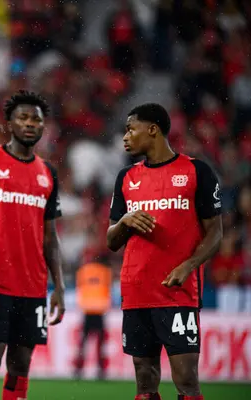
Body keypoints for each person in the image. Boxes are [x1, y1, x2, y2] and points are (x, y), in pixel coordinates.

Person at [107, 103, 223, 400]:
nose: (125, 137)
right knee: (145, 380)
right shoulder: (126, 178)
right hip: (136, 292)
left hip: (177, 292)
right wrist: (125, 221)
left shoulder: (197, 171)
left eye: (131, 129)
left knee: (186, 379)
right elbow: (111, 240)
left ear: (153, 130)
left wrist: (188, 266)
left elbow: (215, 233)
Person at [0, 90, 66, 400]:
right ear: (9, 123)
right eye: (23, 117)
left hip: (33, 287)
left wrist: (58, 287)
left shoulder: (47, 172)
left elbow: (51, 237)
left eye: (36, 119)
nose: (30, 124)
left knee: (21, 365)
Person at [74, 257, 112, 380]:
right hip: (99, 310)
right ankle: (101, 370)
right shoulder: (105, 272)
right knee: (100, 344)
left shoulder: (83, 271)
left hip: (88, 310)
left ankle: (78, 370)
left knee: (83, 343)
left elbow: (80, 288)